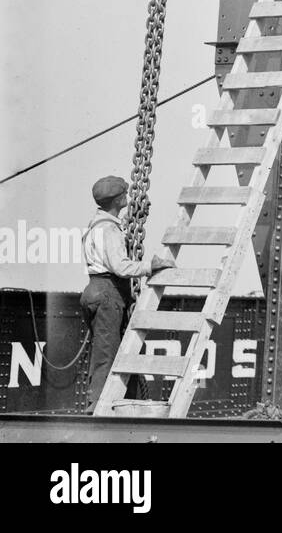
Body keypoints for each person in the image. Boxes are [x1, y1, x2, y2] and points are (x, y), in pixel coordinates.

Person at [80, 175, 175, 412]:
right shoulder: (109, 230)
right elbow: (121, 267)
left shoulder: (94, 225)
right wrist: (150, 266)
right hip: (108, 292)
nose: (127, 198)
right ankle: (98, 405)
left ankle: (116, 400)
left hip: (94, 290)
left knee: (107, 347)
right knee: (109, 351)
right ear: (117, 199)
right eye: (124, 195)